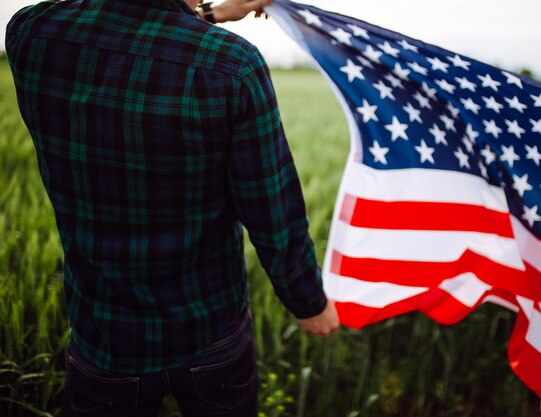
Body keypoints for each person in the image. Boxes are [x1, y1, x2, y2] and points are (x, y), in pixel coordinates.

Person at [6, 0, 339, 415]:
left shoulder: (32, 33)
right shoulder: (233, 65)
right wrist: (309, 303)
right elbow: (272, 211)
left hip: (104, 335)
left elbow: (128, 29)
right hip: (208, 329)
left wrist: (208, 14)